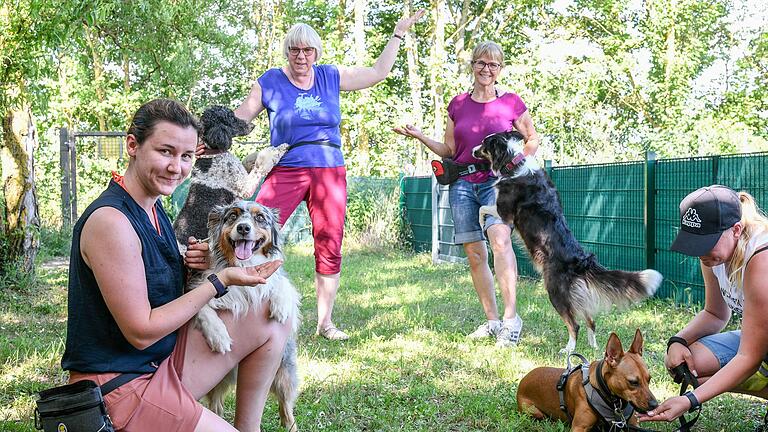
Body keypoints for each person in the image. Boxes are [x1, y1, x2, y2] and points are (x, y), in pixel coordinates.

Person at [61, 99, 290, 431]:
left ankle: (248, 425)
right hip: (121, 387)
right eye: (165, 151)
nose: (176, 167)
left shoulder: (153, 211)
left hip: (158, 362)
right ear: (132, 146)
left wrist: (190, 267)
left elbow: (149, 287)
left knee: (270, 316)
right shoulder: (111, 221)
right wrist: (218, 280)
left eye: (186, 156)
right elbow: (140, 332)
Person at [233, 10, 425, 341]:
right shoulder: (270, 82)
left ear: (316, 53)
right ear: (287, 52)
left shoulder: (330, 76)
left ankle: (325, 323)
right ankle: (248, 310)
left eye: (307, 50)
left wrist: (397, 33)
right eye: (295, 50)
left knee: (329, 242)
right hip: (287, 168)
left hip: (329, 170)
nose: (301, 56)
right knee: (254, 229)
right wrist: (203, 137)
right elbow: (239, 119)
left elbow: (379, 72)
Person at [393, 41, 541, 347]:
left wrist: (514, 168)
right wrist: (420, 136)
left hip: (496, 184)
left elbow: (532, 138)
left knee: (500, 241)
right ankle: (492, 321)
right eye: (481, 63)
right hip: (461, 184)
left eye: (493, 65)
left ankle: (512, 322)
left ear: (500, 70)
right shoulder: (458, 104)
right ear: (472, 65)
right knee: (475, 254)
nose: (486, 69)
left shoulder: (511, 102)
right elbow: (449, 149)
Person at [638, 185, 768, 424]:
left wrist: (691, 400)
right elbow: (715, 314)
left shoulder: (760, 258)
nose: (701, 253)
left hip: (759, 351)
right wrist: (678, 341)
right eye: (695, 243)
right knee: (690, 364)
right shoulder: (714, 255)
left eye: (706, 242)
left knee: (745, 368)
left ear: (736, 230)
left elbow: (749, 356)